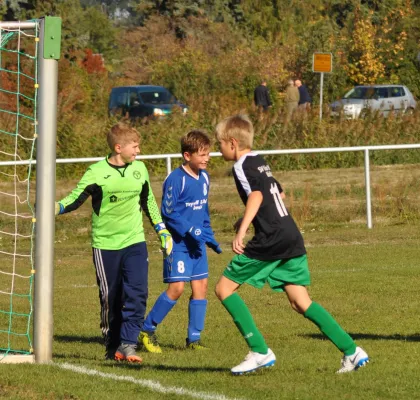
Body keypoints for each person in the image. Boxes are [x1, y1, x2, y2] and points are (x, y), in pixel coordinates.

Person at [214, 114, 369, 375]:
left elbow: (257, 194)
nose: (219, 150)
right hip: (290, 234)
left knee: (224, 289)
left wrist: (242, 230)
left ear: (232, 143)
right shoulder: (260, 161)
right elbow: (279, 194)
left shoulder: (241, 166)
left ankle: (259, 351)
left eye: (219, 144)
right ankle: (352, 351)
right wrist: (251, 217)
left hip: (271, 239)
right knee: (300, 302)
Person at [55, 122, 173, 363]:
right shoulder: (96, 172)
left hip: (134, 241)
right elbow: (76, 198)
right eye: (135, 146)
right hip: (105, 244)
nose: (139, 151)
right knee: (111, 298)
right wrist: (54, 207)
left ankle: (128, 344)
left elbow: (148, 202)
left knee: (138, 292)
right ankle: (112, 345)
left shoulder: (140, 169)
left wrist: (162, 230)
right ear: (119, 147)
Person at [139, 130, 222, 353]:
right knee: (176, 288)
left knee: (201, 287)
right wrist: (190, 229)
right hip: (178, 244)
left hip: (197, 245)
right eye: (202, 154)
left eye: (208, 153)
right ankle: (147, 329)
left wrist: (208, 234)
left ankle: (194, 340)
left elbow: (203, 209)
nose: (207, 158)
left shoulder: (204, 177)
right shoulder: (175, 180)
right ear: (187, 155)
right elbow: (168, 213)